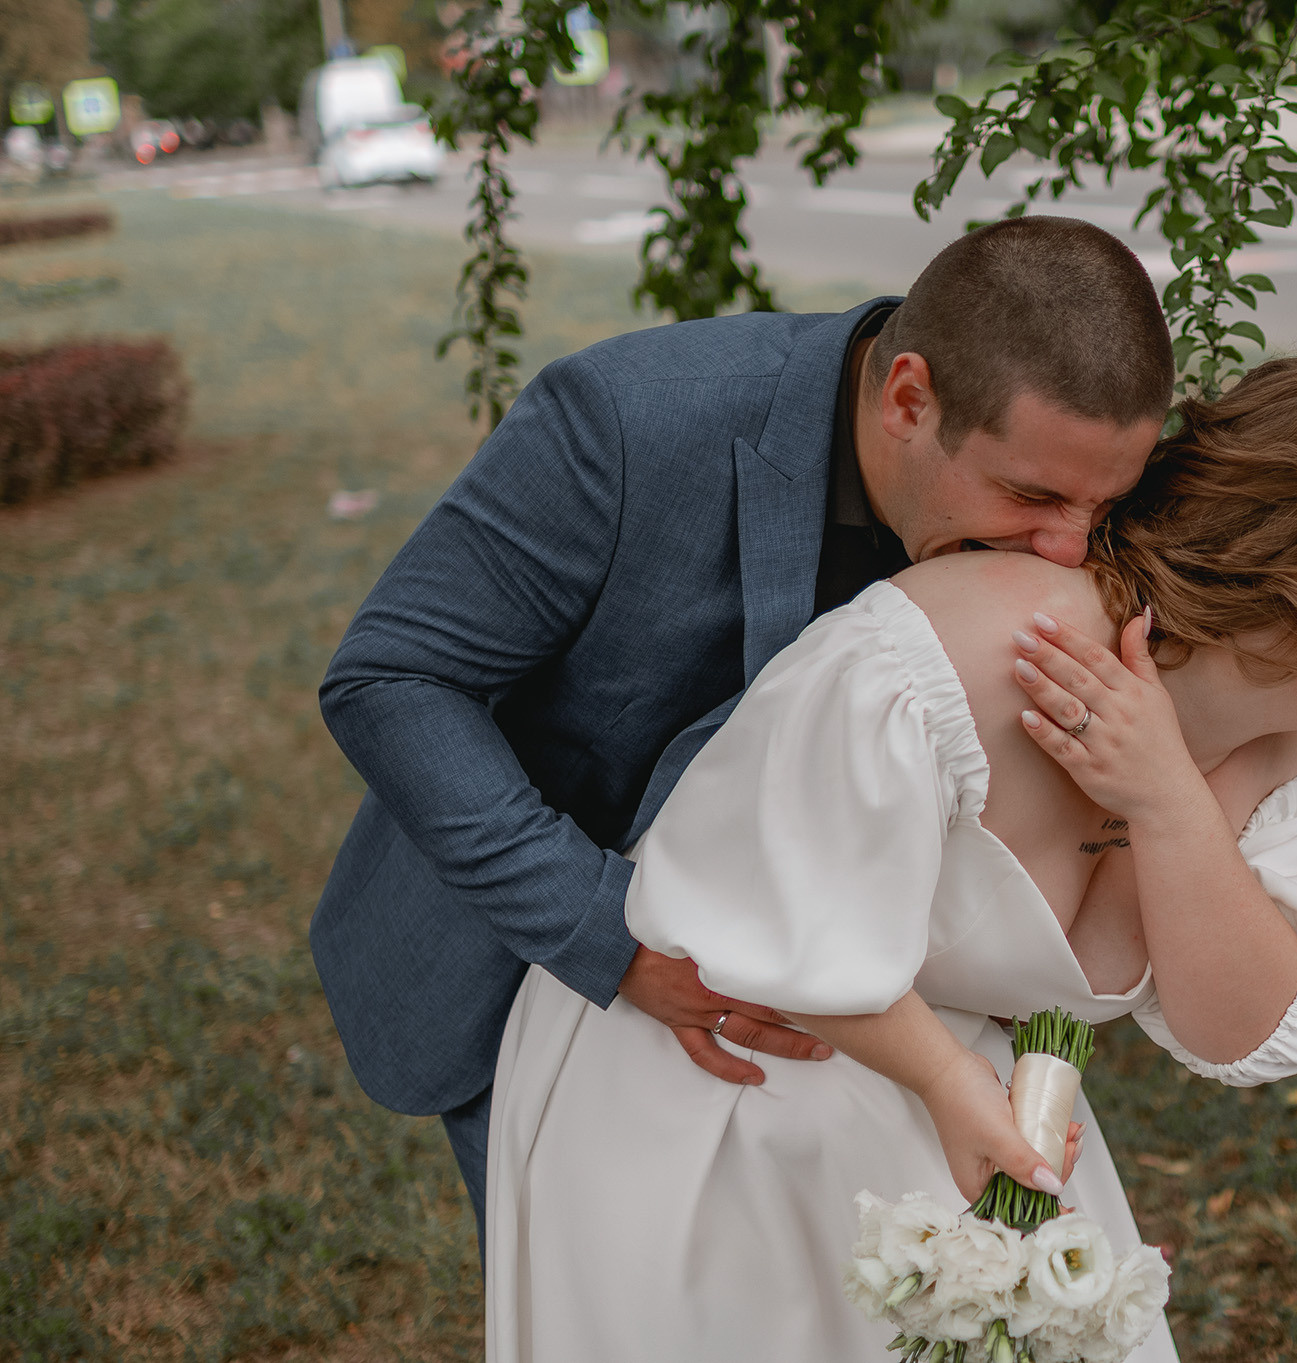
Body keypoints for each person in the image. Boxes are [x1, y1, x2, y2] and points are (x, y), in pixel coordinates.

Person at [485, 329, 1297, 1361]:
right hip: (722, 1082)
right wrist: (940, 1081)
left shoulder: (1270, 747)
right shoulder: (955, 652)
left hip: (966, 1119)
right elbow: (742, 916)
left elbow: (1236, 1028)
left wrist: (1162, 801)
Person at [311, 216, 1176, 1239]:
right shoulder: (625, 422)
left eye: (1100, 504)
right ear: (907, 397)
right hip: (549, 980)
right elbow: (392, 677)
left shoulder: (1058, 494)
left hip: (854, 1045)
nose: (1068, 548)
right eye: (1030, 495)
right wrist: (613, 936)